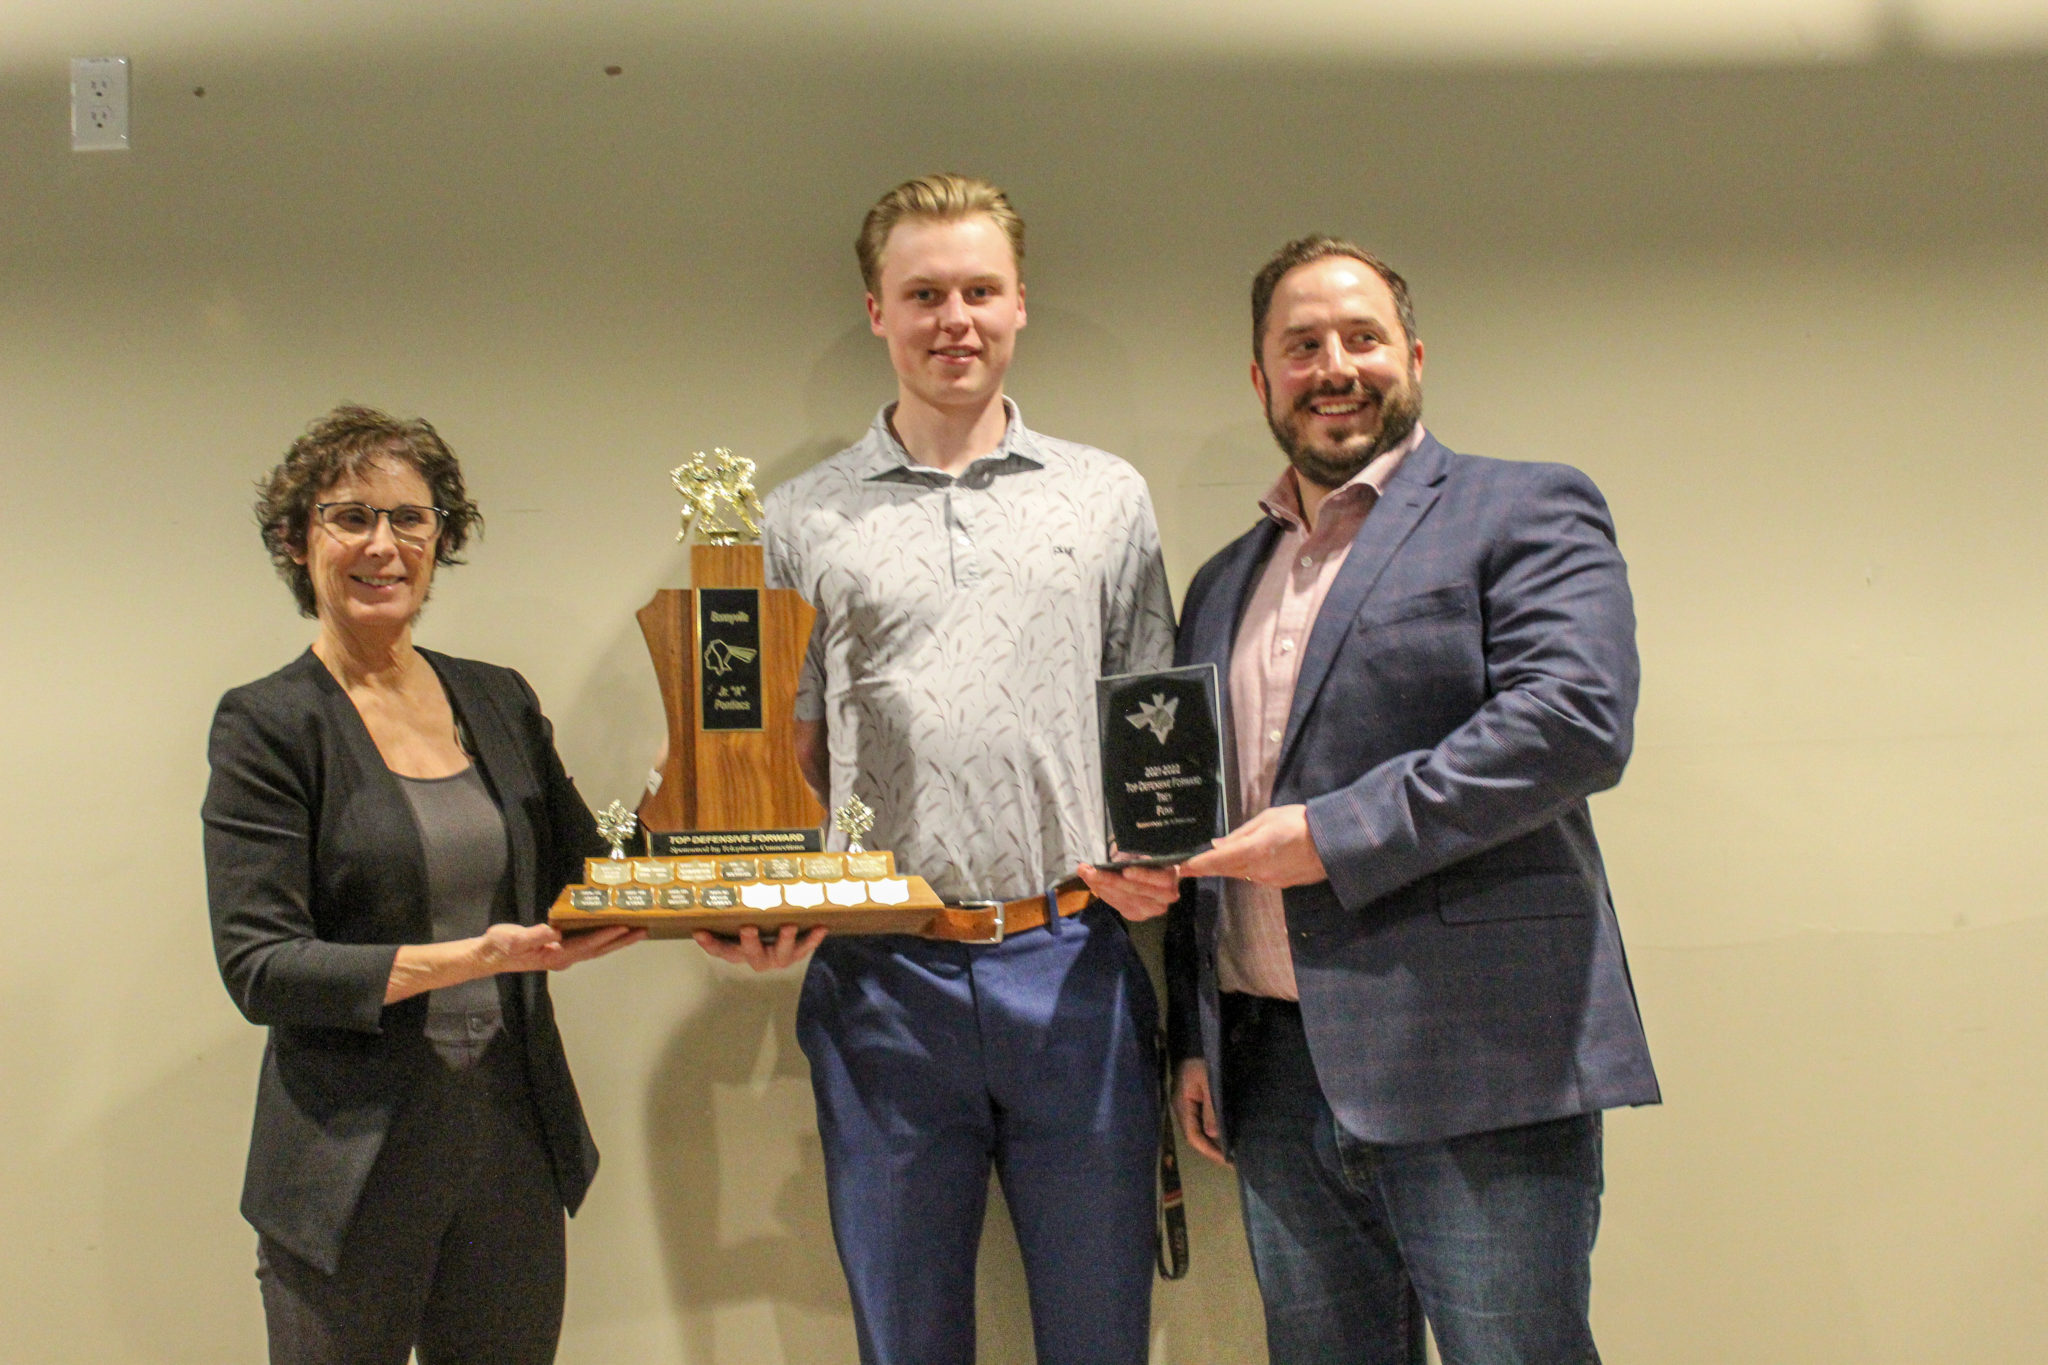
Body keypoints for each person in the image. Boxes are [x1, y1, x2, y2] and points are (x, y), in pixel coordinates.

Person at [1157, 237, 1661, 1364]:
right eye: (1302, 347)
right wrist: (1197, 1035)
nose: (1334, 366)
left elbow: (1574, 720)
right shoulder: (1221, 583)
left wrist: (1332, 835)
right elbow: (1201, 813)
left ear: (1414, 358)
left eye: (1361, 338)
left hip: (1477, 1057)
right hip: (1273, 1072)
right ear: (1262, 379)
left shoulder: (1522, 508)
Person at [716, 173, 1176, 1365]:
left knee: (1101, 1338)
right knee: (906, 1340)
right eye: (923, 295)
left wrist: (1162, 862)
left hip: (1074, 964)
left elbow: (1154, 725)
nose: (953, 319)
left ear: (1019, 303)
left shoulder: (1106, 497)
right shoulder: (799, 518)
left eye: (978, 290)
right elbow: (783, 750)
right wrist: (762, 897)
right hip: (881, 981)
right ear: (878, 312)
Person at [203, 404, 642, 1364]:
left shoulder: (497, 697)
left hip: (510, 1146)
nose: (383, 544)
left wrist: (725, 833)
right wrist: (470, 958)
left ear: (442, 539)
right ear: (297, 540)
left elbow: (597, 873)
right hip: (347, 1166)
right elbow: (262, 967)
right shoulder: (268, 724)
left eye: (410, 518)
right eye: (350, 516)